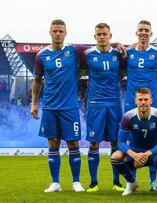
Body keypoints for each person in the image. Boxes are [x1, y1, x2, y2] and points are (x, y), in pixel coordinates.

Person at [31, 19, 86, 192]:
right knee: (52, 144)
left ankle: (76, 182)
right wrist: (34, 103)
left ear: (65, 32)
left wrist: (114, 43)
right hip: (49, 108)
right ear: (50, 32)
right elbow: (37, 81)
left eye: (60, 31)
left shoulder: (74, 50)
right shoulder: (41, 56)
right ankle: (55, 183)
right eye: (54, 31)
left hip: (69, 108)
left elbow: (97, 48)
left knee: (73, 144)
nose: (57, 34)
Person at [80, 23, 124, 192]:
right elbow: (79, 70)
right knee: (93, 143)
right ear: (95, 37)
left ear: (110, 35)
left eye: (105, 34)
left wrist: (117, 45)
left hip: (114, 103)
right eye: (99, 34)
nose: (102, 37)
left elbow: (121, 73)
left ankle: (116, 181)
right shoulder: (87, 54)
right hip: (95, 104)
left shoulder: (118, 55)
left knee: (116, 143)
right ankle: (93, 182)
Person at [110, 88, 157, 196]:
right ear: (135, 101)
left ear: (151, 101)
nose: (143, 102)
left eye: (146, 99)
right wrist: (134, 154)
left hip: (153, 154)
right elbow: (121, 142)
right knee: (115, 157)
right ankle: (131, 182)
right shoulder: (128, 116)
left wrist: (147, 153)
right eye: (140, 99)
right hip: (134, 152)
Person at [124, 20, 157, 189]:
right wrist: (117, 44)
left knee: (152, 141)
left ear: (151, 34)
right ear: (136, 33)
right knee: (133, 141)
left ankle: (153, 181)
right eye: (141, 30)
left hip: (152, 104)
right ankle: (132, 181)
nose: (143, 32)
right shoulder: (127, 52)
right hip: (132, 105)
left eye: (147, 30)